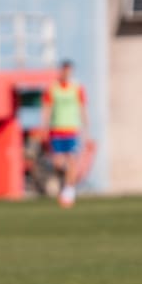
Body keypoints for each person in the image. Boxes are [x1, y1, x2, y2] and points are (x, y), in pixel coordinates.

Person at [40, 58, 89, 208]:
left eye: (69, 70)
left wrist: (86, 131)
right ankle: (67, 183)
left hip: (72, 130)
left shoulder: (77, 88)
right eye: (64, 70)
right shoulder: (52, 88)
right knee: (58, 163)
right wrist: (44, 128)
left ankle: (68, 192)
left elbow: (82, 110)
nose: (66, 73)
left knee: (72, 161)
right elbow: (47, 109)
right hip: (56, 130)